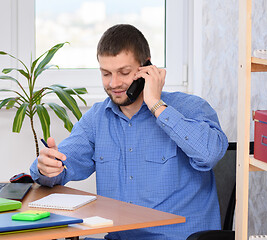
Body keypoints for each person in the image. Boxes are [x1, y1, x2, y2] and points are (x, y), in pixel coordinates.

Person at [30, 24, 228, 240]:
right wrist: (47, 167)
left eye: (124, 73)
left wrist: (156, 106)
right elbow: (61, 166)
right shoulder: (97, 119)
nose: (114, 83)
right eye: (106, 74)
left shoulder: (190, 108)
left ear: (147, 67)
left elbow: (210, 154)